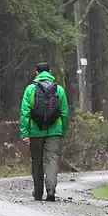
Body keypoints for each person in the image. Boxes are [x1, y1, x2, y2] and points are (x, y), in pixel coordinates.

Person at [19, 61, 69, 202]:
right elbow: (65, 113)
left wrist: (24, 132)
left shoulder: (30, 89)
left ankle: (38, 192)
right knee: (52, 160)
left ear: (36, 73)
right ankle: (51, 190)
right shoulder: (59, 89)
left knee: (37, 161)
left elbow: (25, 112)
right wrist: (63, 130)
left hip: (35, 131)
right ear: (50, 72)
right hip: (54, 131)